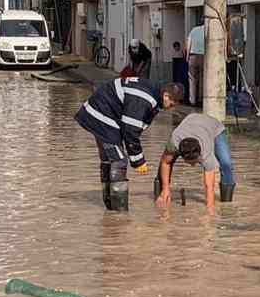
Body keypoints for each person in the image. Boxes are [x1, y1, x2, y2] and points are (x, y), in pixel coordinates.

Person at [75, 74, 181, 212]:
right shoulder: (144, 99)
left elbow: (135, 126)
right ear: (166, 96)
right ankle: (119, 211)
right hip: (102, 116)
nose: (170, 108)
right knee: (119, 161)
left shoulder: (153, 93)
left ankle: (110, 208)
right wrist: (138, 160)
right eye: (171, 104)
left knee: (109, 159)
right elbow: (130, 130)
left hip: (98, 112)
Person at [156, 112, 235, 212]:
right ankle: (161, 194)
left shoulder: (206, 153)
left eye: (194, 162)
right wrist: (165, 188)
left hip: (214, 127)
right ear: (179, 152)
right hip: (191, 121)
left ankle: (227, 203)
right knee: (167, 159)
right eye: (189, 163)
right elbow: (165, 163)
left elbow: (209, 186)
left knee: (226, 163)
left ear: (200, 154)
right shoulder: (174, 142)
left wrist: (209, 209)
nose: (193, 165)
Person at [187, 21, 206, 106]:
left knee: (192, 79)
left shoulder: (193, 30)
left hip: (193, 56)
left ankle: (192, 100)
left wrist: (187, 56)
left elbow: (189, 43)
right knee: (203, 78)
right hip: (204, 56)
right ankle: (201, 99)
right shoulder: (208, 30)